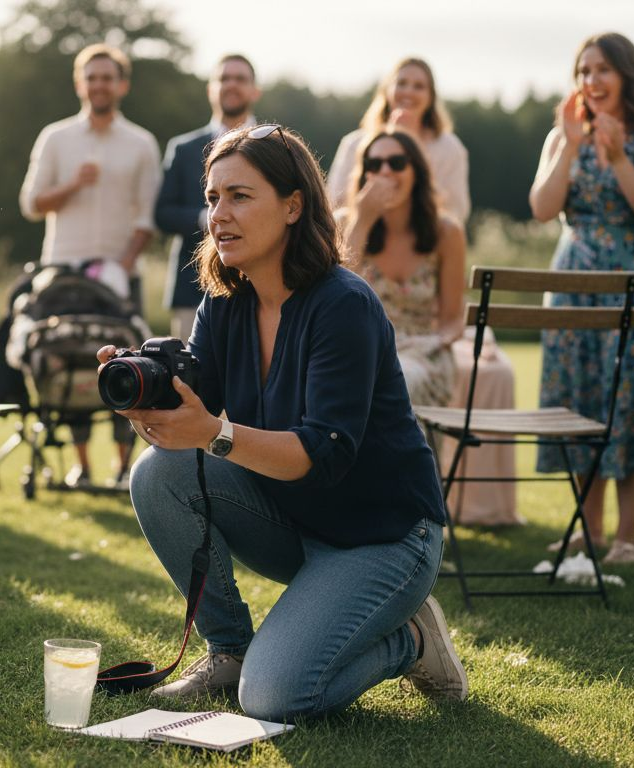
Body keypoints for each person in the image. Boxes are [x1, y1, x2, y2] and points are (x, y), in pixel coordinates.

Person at [103, 124, 467, 720]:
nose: (219, 214)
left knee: (276, 697)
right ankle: (229, 652)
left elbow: (318, 453)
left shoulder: (343, 305)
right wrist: (144, 391)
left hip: (383, 535)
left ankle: (411, 640)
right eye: (214, 197)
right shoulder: (223, 302)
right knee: (156, 472)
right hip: (296, 520)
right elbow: (199, 407)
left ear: (294, 205)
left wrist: (213, 434)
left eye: (241, 196)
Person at [528, 32, 634, 565]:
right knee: (579, 397)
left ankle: (628, 536)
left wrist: (618, 159)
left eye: (601, 71)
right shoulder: (560, 136)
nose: (590, 81)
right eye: (583, 71)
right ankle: (588, 530)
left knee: (632, 401)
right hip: (572, 278)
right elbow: (544, 209)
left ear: (626, 76)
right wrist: (571, 144)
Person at [340, 130, 520, 526]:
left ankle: (412, 516)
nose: (385, 171)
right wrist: (364, 217)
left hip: (426, 351)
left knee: (401, 380)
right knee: (363, 382)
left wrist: (433, 342)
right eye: (374, 164)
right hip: (366, 348)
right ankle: (366, 510)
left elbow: (453, 315)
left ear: (416, 172)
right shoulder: (346, 225)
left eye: (396, 163)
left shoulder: (444, 231)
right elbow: (334, 292)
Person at [19, 43, 161, 489]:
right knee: (66, 363)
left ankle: (123, 466)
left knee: (127, 362)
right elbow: (31, 203)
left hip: (118, 274)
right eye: (92, 77)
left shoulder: (141, 142)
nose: (99, 85)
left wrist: (123, 266)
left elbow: (147, 217)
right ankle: (81, 463)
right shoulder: (55, 137)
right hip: (61, 273)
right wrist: (71, 185)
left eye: (108, 77)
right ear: (80, 83)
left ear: (122, 84)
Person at [155, 54, 260, 340]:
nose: (231, 85)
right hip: (193, 289)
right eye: (224, 78)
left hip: (261, 288)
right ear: (210, 89)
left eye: (240, 79)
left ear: (255, 90)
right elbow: (162, 213)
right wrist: (206, 217)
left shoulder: (272, 146)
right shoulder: (183, 149)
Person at [327, 58, 470, 223]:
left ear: (430, 97)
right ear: (387, 91)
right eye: (401, 83)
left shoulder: (449, 148)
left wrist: (412, 145)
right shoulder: (354, 143)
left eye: (419, 86)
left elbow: (456, 212)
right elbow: (334, 204)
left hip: (423, 239)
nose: (408, 91)